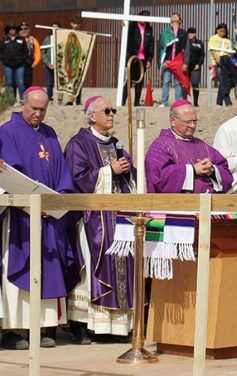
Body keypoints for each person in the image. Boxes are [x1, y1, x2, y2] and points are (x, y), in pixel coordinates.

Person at [0, 87, 80, 349]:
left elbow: (62, 173)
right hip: (20, 217)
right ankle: (14, 330)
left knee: (48, 267)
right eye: (34, 108)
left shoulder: (49, 133)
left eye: (43, 110)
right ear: (22, 104)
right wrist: (30, 201)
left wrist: (56, 201)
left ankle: (44, 326)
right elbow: (10, 172)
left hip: (48, 217)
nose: (38, 114)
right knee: (20, 262)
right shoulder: (7, 132)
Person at [64, 96, 135, 344]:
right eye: (106, 110)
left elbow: (128, 180)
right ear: (92, 115)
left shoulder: (116, 144)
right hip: (92, 218)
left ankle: (116, 327)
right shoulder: (79, 144)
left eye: (113, 110)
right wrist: (109, 171)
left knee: (123, 266)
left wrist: (127, 169)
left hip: (119, 218)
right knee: (91, 270)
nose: (112, 114)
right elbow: (76, 178)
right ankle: (82, 325)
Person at [145, 99, 232, 194]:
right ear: (173, 121)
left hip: (206, 205)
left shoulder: (202, 146)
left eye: (195, 121)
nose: (193, 126)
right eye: (188, 122)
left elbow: (226, 172)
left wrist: (212, 170)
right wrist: (192, 170)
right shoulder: (161, 145)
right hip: (176, 206)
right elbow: (157, 178)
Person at [122, 10, 154, 107]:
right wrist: (124, 24)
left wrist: (149, 59)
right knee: (130, 80)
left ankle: (136, 102)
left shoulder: (149, 28)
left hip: (142, 58)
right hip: (132, 56)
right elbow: (126, 29)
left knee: (139, 81)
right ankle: (123, 101)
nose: (144, 20)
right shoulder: (133, 25)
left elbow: (150, 45)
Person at [158, 13, 189, 107]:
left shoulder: (183, 33)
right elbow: (161, 48)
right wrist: (162, 61)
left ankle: (178, 102)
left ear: (180, 20)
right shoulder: (165, 33)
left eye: (176, 17)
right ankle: (164, 102)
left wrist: (185, 63)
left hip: (178, 61)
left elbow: (187, 48)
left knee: (178, 83)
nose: (174, 18)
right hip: (167, 61)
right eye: (172, 17)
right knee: (166, 81)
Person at [0, 22, 28, 101]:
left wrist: (22, 60)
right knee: (9, 82)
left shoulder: (21, 39)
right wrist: (4, 60)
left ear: (16, 30)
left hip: (20, 65)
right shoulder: (3, 40)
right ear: (7, 30)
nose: (12, 30)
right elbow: (0, 52)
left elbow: (26, 52)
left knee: (20, 82)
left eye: (14, 29)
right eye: (10, 29)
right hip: (7, 65)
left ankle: (23, 100)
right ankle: (10, 100)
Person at [209, 23, 234, 106]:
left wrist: (225, 58)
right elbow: (212, 50)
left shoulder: (228, 41)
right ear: (217, 30)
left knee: (223, 82)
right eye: (221, 31)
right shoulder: (213, 38)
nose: (222, 33)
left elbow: (230, 52)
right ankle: (228, 102)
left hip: (226, 63)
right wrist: (217, 58)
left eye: (224, 32)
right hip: (217, 63)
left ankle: (218, 103)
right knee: (223, 81)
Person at [41, 22, 60, 101]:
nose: (54, 29)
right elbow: (43, 53)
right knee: (49, 84)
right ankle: (49, 97)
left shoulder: (61, 38)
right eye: (53, 27)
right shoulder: (47, 39)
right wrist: (48, 63)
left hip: (59, 66)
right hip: (49, 65)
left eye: (56, 27)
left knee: (60, 84)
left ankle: (60, 99)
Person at [18, 23, 41, 91]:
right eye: (21, 29)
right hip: (18, 65)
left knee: (28, 83)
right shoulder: (16, 39)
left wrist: (35, 63)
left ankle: (27, 99)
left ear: (29, 30)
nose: (23, 30)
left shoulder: (33, 40)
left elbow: (37, 53)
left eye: (25, 28)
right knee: (18, 83)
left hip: (28, 65)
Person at [187, 27, 205, 107]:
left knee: (195, 84)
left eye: (192, 32)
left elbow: (202, 55)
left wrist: (199, 64)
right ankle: (184, 101)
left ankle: (195, 102)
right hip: (186, 67)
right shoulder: (185, 42)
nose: (190, 34)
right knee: (185, 85)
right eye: (189, 32)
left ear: (195, 34)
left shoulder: (199, 43)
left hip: (195, 67)